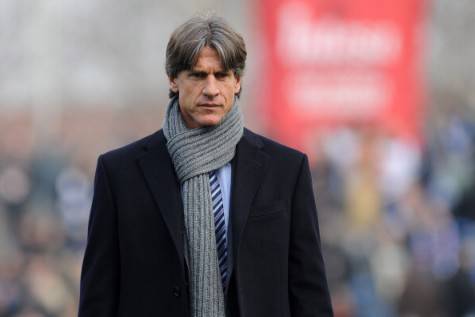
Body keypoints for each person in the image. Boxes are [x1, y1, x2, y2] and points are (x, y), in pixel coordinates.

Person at [78, 15, 333, 317]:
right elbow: (99, 295)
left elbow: (309, 290)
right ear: (173, 79)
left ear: (237, 82)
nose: (211, 89)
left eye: (222, 75)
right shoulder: (120, 173)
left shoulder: (286, 170)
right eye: (198, 75)